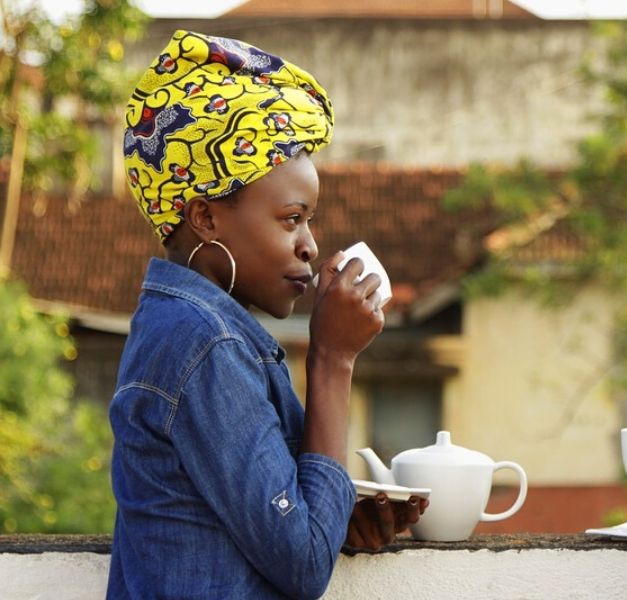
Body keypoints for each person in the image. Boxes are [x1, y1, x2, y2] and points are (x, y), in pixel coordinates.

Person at [109, 31, 426, 599]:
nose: (310, 245)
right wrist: (332, 358)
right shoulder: (205, 345)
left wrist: (332, 519)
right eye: (291, 218)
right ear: (205, 219)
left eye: (310, 220)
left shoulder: (191, 328)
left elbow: (265, 523)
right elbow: (301, 566)